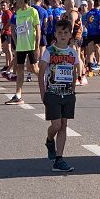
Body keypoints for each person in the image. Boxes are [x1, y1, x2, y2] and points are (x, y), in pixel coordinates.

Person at [39, 17, 81, 172]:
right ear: (55, 34)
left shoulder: (72, 52)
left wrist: (74, 89)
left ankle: (59, 159)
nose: (62, 35)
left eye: (65, 32)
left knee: (64, 125)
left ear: (70, 35)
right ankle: (50, 140)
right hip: (52, 93)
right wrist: (43, 93)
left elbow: (75, 71)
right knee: (56, 125)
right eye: (59, 32)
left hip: (68, 94)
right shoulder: (49, 51)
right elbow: (41, 72)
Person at [6, 0, 42, 105]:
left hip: (31, 45)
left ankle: (47, 83)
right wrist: (16, 43)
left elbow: (38, 29)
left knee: (34, 69)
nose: (16, 1)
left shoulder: (33, 11)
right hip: (21, 47)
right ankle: (18, 94)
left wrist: (37, 45)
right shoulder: (18, 12)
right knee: (20, 70)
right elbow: (15, 30)